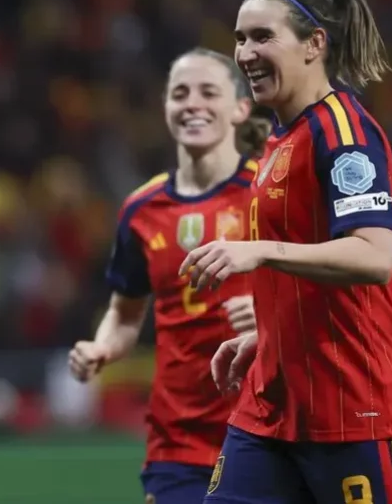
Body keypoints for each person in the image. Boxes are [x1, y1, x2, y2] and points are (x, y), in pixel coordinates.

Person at [180, 0, 392, 504]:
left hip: (356, 410)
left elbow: (373, 255)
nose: (245, 52)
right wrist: (270, 335)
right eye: (241, 37)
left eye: (263, 36)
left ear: (314, 43)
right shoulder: (279, 140)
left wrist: (258, 251)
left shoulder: (343, 131)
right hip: (272, 410)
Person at [68, 48, 265, 504]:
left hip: (266, 425)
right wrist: (102, 347)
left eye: (208, 92)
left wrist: (271, 312)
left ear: (240, 108)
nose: (192, 103)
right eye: (180, 93)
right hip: (178, 440)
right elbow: (125, 313)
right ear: (166, 109)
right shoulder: (141, 209)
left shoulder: (268, 191)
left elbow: (327, 285)